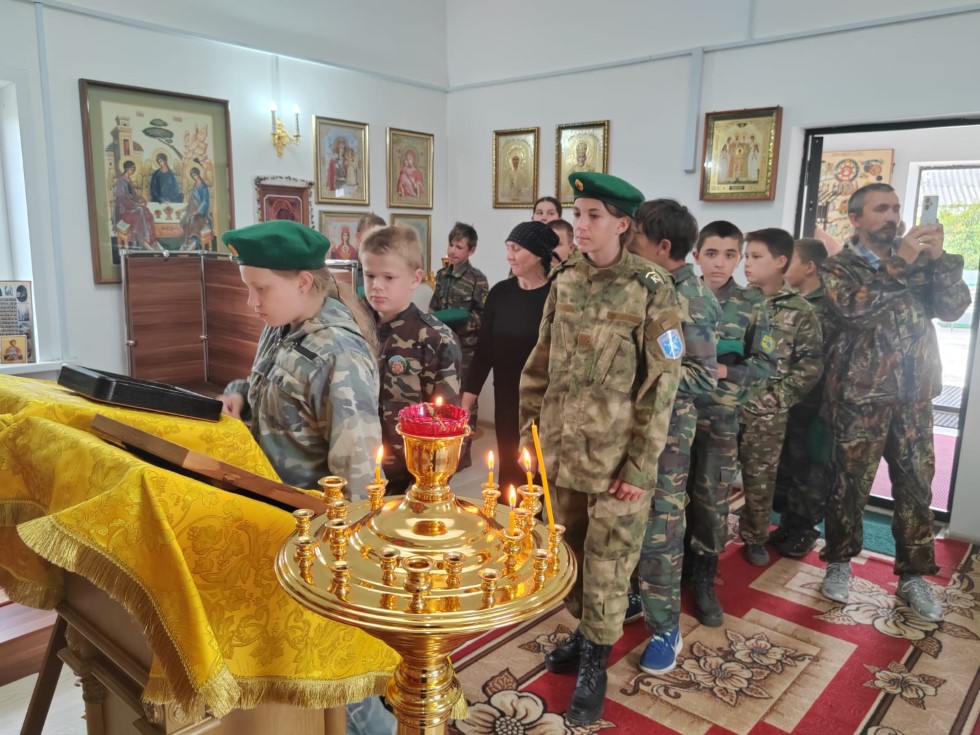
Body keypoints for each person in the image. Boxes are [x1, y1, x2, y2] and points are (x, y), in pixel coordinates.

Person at [520, 173, 683, 726]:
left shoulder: (652, 288)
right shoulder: (565, 278)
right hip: (562, 453)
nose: (581, 224)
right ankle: (585, 630)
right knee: (567, 552)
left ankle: (595, 660)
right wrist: (530, 439)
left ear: (622, 223)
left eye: (594, 215)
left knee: (610, 563)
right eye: (578, 213)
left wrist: (639, 465)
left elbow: (661, 385)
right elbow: (539, 365)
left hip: (616, 462)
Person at [819, 183, 970, 622]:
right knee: (849, 484)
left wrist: (939, 260)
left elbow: (953, 308)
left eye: (896, 208)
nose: (892, 216)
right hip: (859, 396)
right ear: (856, 219)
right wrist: (899, 261)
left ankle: (913, 576)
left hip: (913, 396)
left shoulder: (922, 263)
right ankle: (839, 562)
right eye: (881, 209)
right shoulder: (839, 267)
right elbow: (854, 311)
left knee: (916, 486)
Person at [218, 220, 382, 497]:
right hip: (270, 500)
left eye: (261, 288)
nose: (251, 301)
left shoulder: (339, 355)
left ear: (303, 282)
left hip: (308, 516)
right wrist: (239, 397)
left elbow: (358, 478)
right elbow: (276, 398)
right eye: (248, 287)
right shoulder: (280, 327)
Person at [629, 199, 719, 676]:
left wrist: (639, 374)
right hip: (627, 430)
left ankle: (665, 627)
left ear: (662, 247)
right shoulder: (642, 285)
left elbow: (703, 377)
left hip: (666, 438)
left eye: (636, 236)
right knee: (622, 521)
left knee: (659, 531)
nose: (627, 241)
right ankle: (631, 595)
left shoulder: (693, 299)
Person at [686, 221, 773, 626]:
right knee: (667, 498)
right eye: (711, 254)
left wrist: (723, 370)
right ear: (696, 255)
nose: (719, 263)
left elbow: (765, 365)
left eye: (728, 255)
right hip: (676, 414)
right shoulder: (681, 297)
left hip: (720, 419)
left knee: (711, 498)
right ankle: (664, 571)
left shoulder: (752, 304)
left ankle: (703, 577)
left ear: (739, 258)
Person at [737, 228, 823, 566]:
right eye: (746, 256)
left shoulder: (799, 311)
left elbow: (810, 366)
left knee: (760, 480)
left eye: (756, 257)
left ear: (780, 261)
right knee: (714, 478)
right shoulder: (736, 301)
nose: (747, 263)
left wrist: (775, 399)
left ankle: (755, 538)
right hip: (727, 406)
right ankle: (707, 542)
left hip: (767, 413)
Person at [361, 225, 462, 495]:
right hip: (360, 470)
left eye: (389, 277)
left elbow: (445, 426)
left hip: (409, 478)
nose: (376, 285)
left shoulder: (435, 339)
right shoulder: (354, 328)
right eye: (369, 275)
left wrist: (427, 486)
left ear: (415, 279)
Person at [462, 221, 557, 491]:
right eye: (508, 248)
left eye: (516, 249)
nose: (509, 256)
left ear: (537, 254)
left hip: (544, 404)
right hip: (506, 400)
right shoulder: (500, 293)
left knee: (537, 478)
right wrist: (466, 405)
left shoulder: (557, 295)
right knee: (509, 473)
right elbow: (484, 353)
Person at [771, 238, 838, 557]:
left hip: (816, 402)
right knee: (788, 464)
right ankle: (788, 523)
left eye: (791, 260)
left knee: (810, 467)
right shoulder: (791, 301)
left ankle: (805, 529)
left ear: (810, 267)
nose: (784, 266)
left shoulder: (828, 307)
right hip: (789, 399)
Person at [429, 222, 489, 467]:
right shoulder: (442, 275)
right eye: (451, 245)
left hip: (466, 349)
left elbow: (483, 316)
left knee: (465, 401)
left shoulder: (477, 280)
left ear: (470, 251)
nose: (453, 251)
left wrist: (459, 321)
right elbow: (434, 308)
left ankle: (463, 455)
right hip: (443, 347)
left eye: (459, 247)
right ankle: (444, 451)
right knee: (443, 397)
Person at [113, 160, 159, 249]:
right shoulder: (121, 181)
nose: (132, 171)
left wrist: (140, 200)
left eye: (133, 169)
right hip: (124, 210)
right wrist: (136, 205)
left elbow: (133, 195)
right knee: (140, 210)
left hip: (131, 206)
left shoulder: (129, 180)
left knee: (146, 211)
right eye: (131, 169)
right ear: (126, 169)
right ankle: (143, 239)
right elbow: (123, 198)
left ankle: (151, 239)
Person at [180, 167, 212, 250]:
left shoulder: (204, 187)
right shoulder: (195, 185)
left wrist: (198, 211)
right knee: (185, 219)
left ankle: (194, 241)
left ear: (198, 174)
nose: (194, 177)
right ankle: (187, 241)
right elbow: (192, 198)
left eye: (195, 175)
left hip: (201, 213)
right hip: (192, 208)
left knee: (192, 221)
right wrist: (186, 208)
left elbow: (205, 202)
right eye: (192, 175)